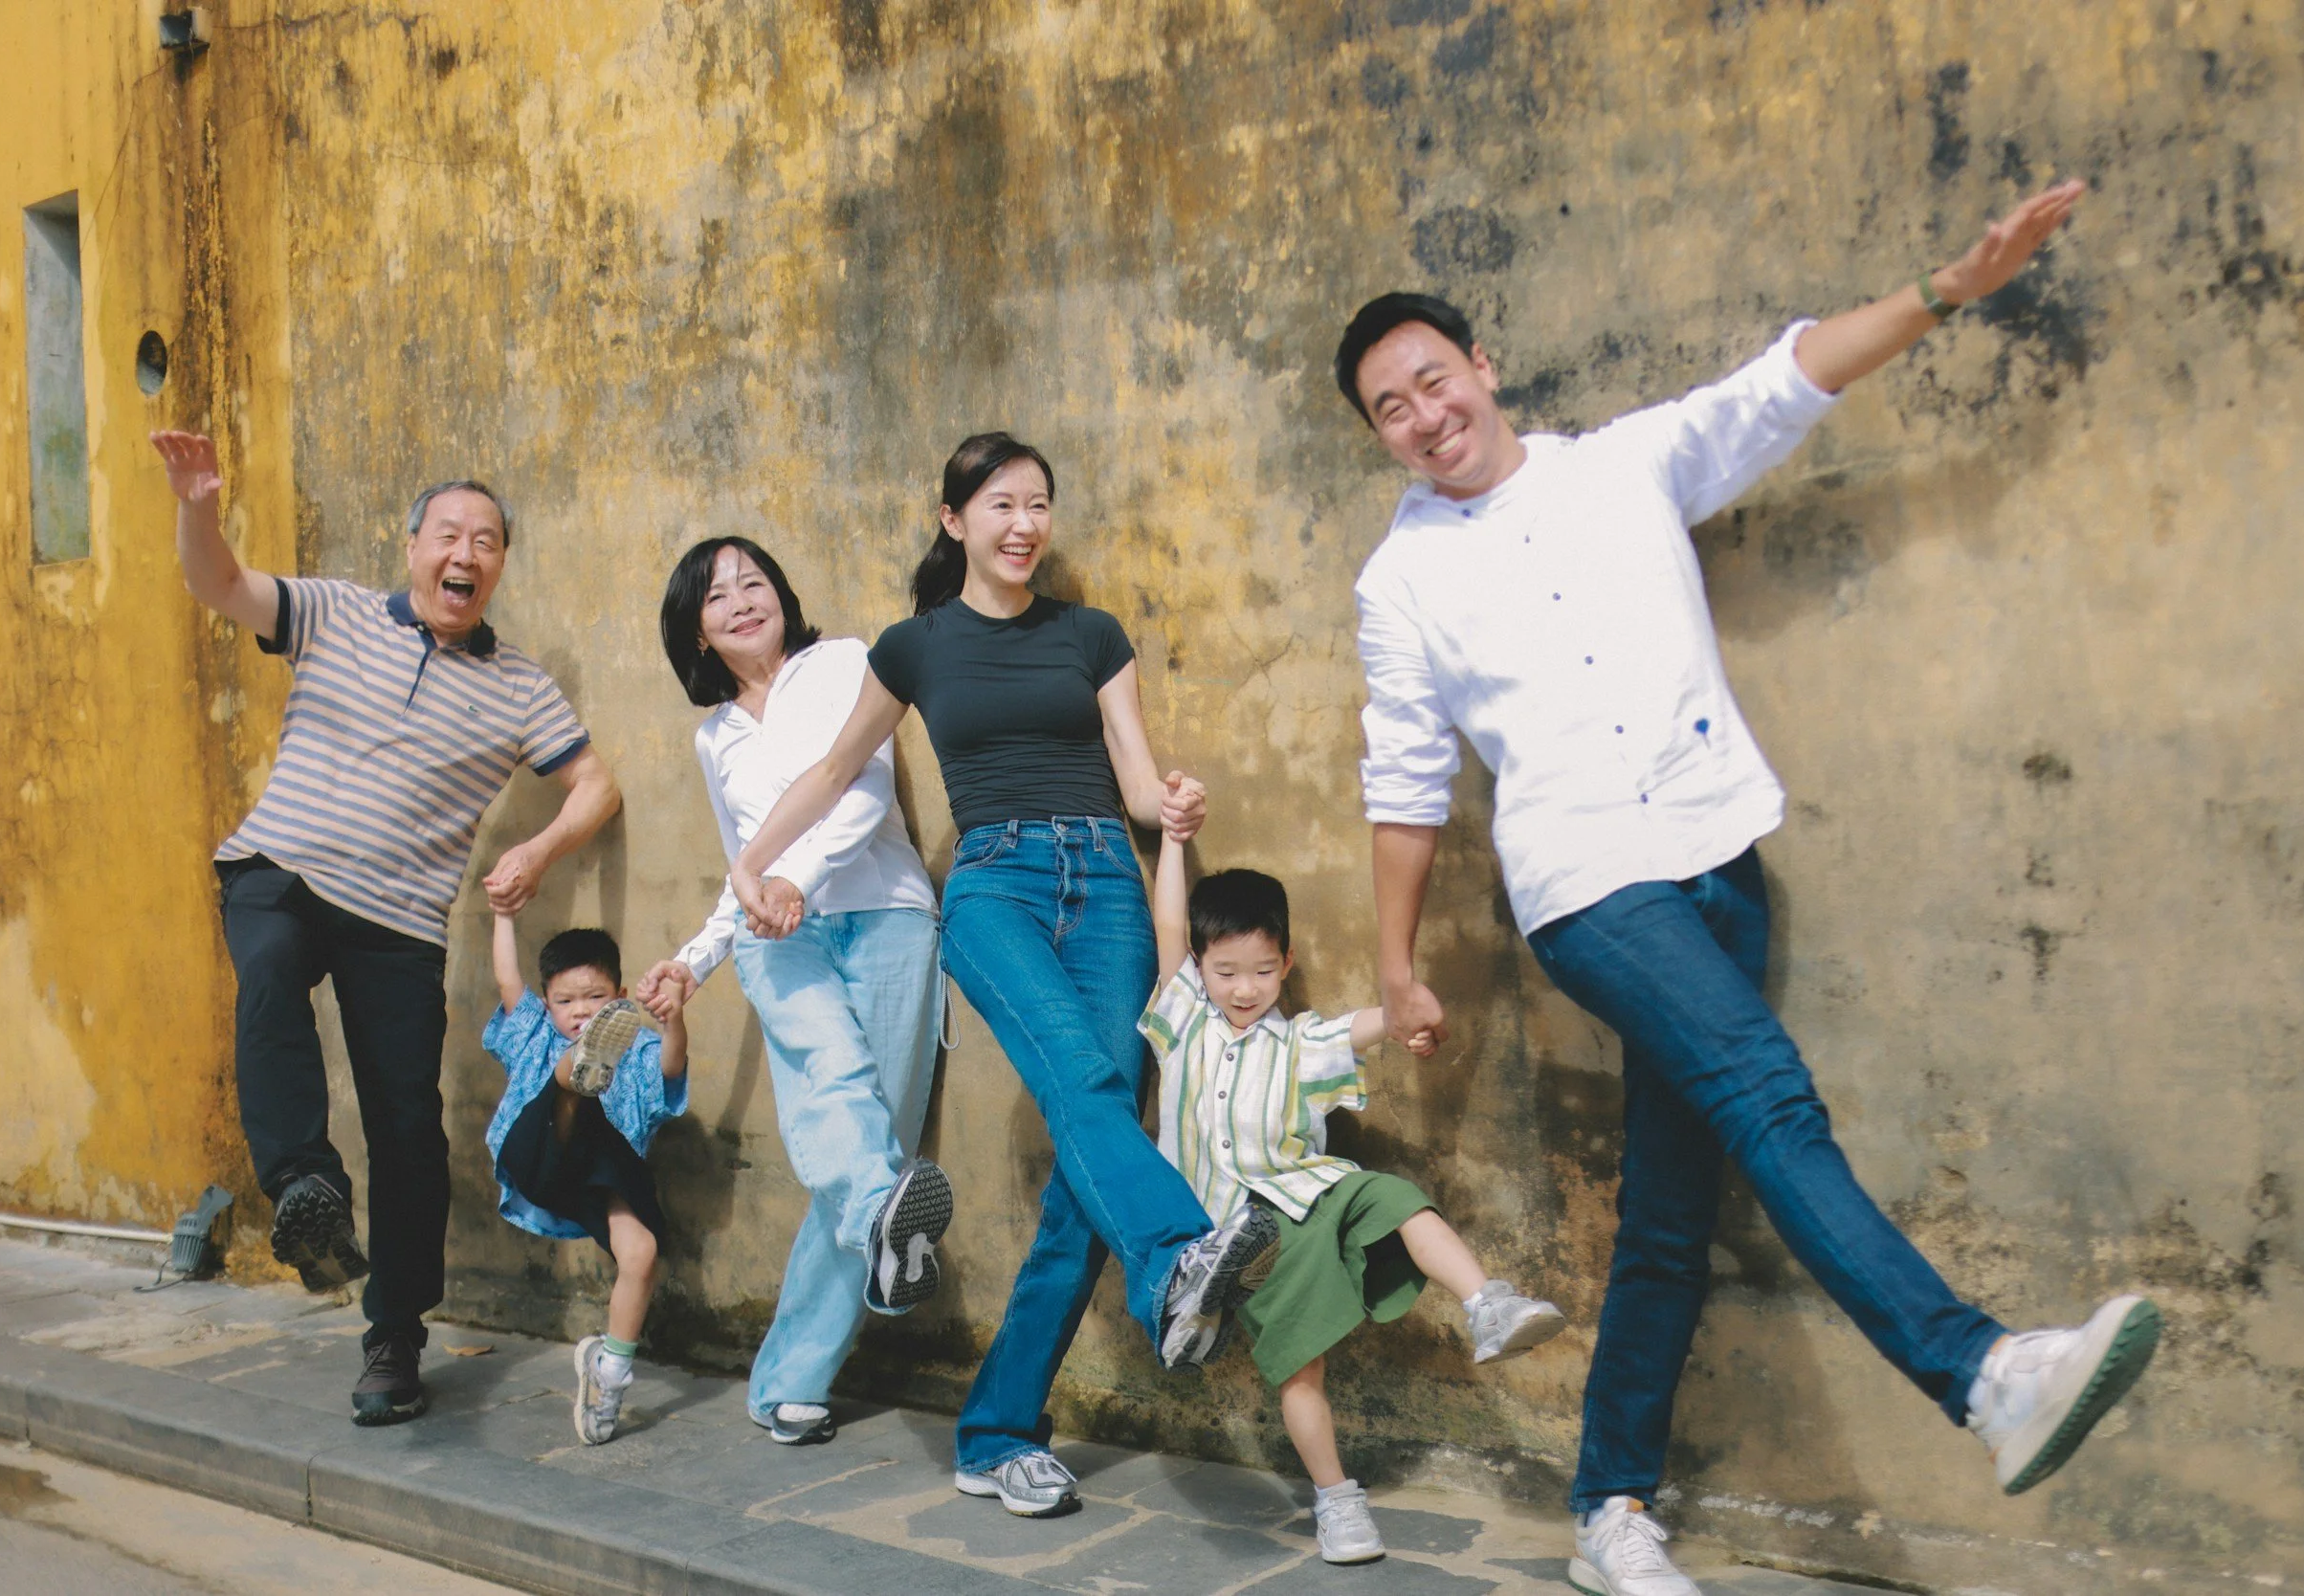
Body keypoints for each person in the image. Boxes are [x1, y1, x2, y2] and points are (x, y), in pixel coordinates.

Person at [1338, 182, 2164, 1596]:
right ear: (1380, 439)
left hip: (1721, 863)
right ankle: (1981, 1373)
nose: (1422, 414)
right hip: (1593, 892)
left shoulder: (1624, 466)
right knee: (1771, 1097)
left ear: (1481, 370)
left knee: (1670, 1216)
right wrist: (1399, 960)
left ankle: (1609, 1513)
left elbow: (1782, 384)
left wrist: (1951, 287)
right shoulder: (1397, 583)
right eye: (1388, 408)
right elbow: (1405, 780)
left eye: (1432, 378)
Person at [727, 432, 1273, 1519]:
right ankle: (1175, 1261)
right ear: (956, 520)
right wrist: (751, 859)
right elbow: (837, 770)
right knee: (1085, 1084)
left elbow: (1130, 772)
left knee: (1088, 1159)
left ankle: (996, 1435)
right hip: (992, 888)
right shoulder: (913, 647)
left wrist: (1172, 807)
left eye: (1039, 506)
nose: (1024, 524)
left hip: (1106, 884)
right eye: (1001, 505)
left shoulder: (1093, 635)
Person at [151, 431, 621, 1426]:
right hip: (281, 867)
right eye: (447, 533)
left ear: (496, 567)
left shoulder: (519, 686)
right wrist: (197, 503)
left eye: (486, 541)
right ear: (410, 546)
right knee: (270, 971)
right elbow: (221, 582)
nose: (465, 552)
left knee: (408, 1127)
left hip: (401, 919)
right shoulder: (331, 612)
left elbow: (595, 784)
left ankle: (394, 1339)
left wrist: (537, 852)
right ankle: (305, 1186)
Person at [1141, 832, 1567, 1564]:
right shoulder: (1180, 1022)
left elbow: (1369, 1026)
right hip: (1241, 1236)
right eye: (1227, 972)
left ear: (1288, 964)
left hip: (1314, 1194)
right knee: (1302, 1369)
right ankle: (1337, 1499)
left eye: (1264, 971)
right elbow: (1170, 930)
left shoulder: (1299, 1044)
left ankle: (1487, 1303)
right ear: (1200, 971)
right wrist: (1174, 842)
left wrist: (1408, 1018)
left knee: (1397, 1197)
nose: (1245, 988)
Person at [632, 536, 948, 1449]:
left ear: (783, 593)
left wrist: (793, 884)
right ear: (695, 631)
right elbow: (743, 868)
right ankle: (884, 1234)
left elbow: (859, 788)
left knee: (861, 1145)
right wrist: (694, 962)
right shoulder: (713, 736)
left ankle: (789, 1380)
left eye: (754, 582)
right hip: (781, 942)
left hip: (886, 914)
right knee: (843, 1111)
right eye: (716, 595)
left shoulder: (847, 662)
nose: (740, 601)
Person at [483, 915, 686, 1445]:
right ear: (547, 1003)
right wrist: (505, 913)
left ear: (619, 996)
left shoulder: (639, 1046)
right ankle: (577, 1076)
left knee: (640, 1251)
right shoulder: (533, 1031)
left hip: (600, 1171)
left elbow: (668, 1068)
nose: (579, 1011)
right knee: (571, 1088)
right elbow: (508, 981)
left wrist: (674, 1021)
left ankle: (610, 1373)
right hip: (540, 1157)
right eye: (566, 1002)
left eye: (595, 999)